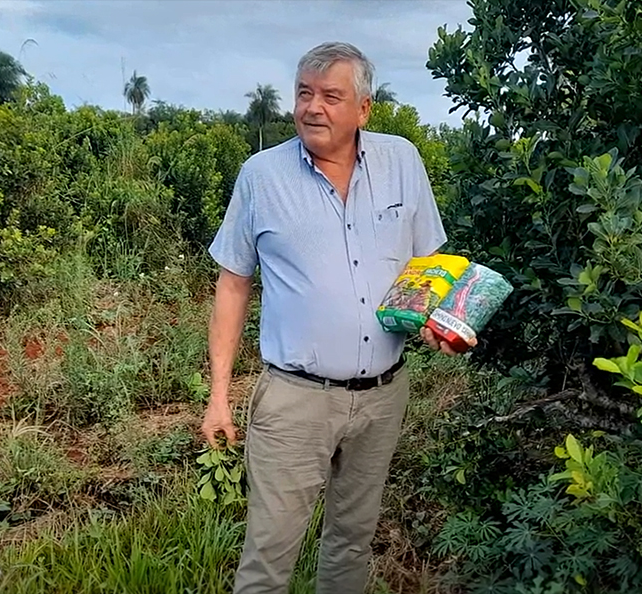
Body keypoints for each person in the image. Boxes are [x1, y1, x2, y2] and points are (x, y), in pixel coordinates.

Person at [202, 41, 466, 594]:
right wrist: (219, 396)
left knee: (352, 542)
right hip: (295, 399)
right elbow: (233, 282)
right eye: (304, 93)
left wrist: (436, 319)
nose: (312, 107)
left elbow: (428, 265)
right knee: (269, 553)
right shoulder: (261, 176)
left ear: (363, 109)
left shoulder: (403, 162)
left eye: (330, 96)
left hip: (382, 396)